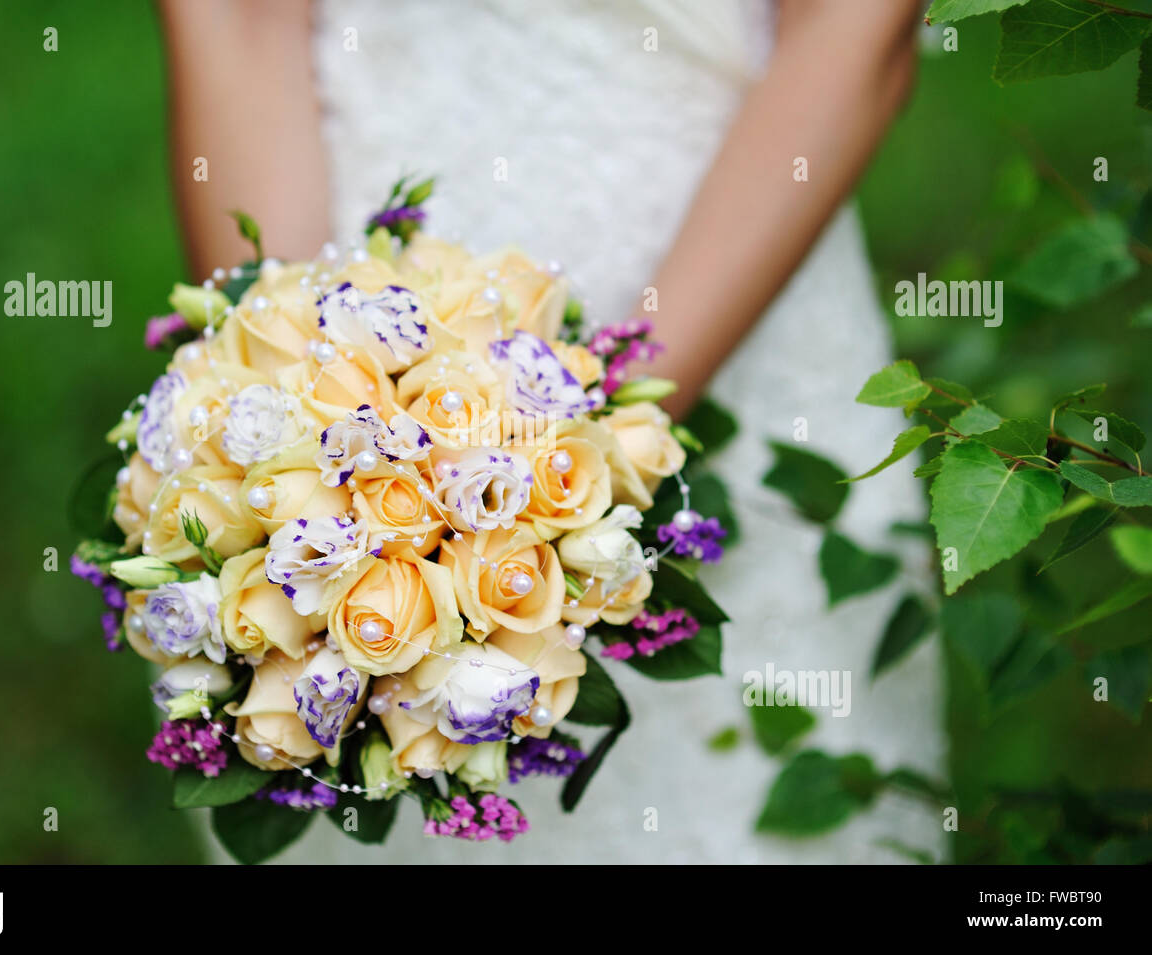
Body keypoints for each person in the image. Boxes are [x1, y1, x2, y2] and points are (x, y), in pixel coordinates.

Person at [160, 0, 943, 863]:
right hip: (351, 224)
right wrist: (292, 401)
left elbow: (854, 24)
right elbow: (236, 19)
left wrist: (594, 448)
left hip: (737, 256)